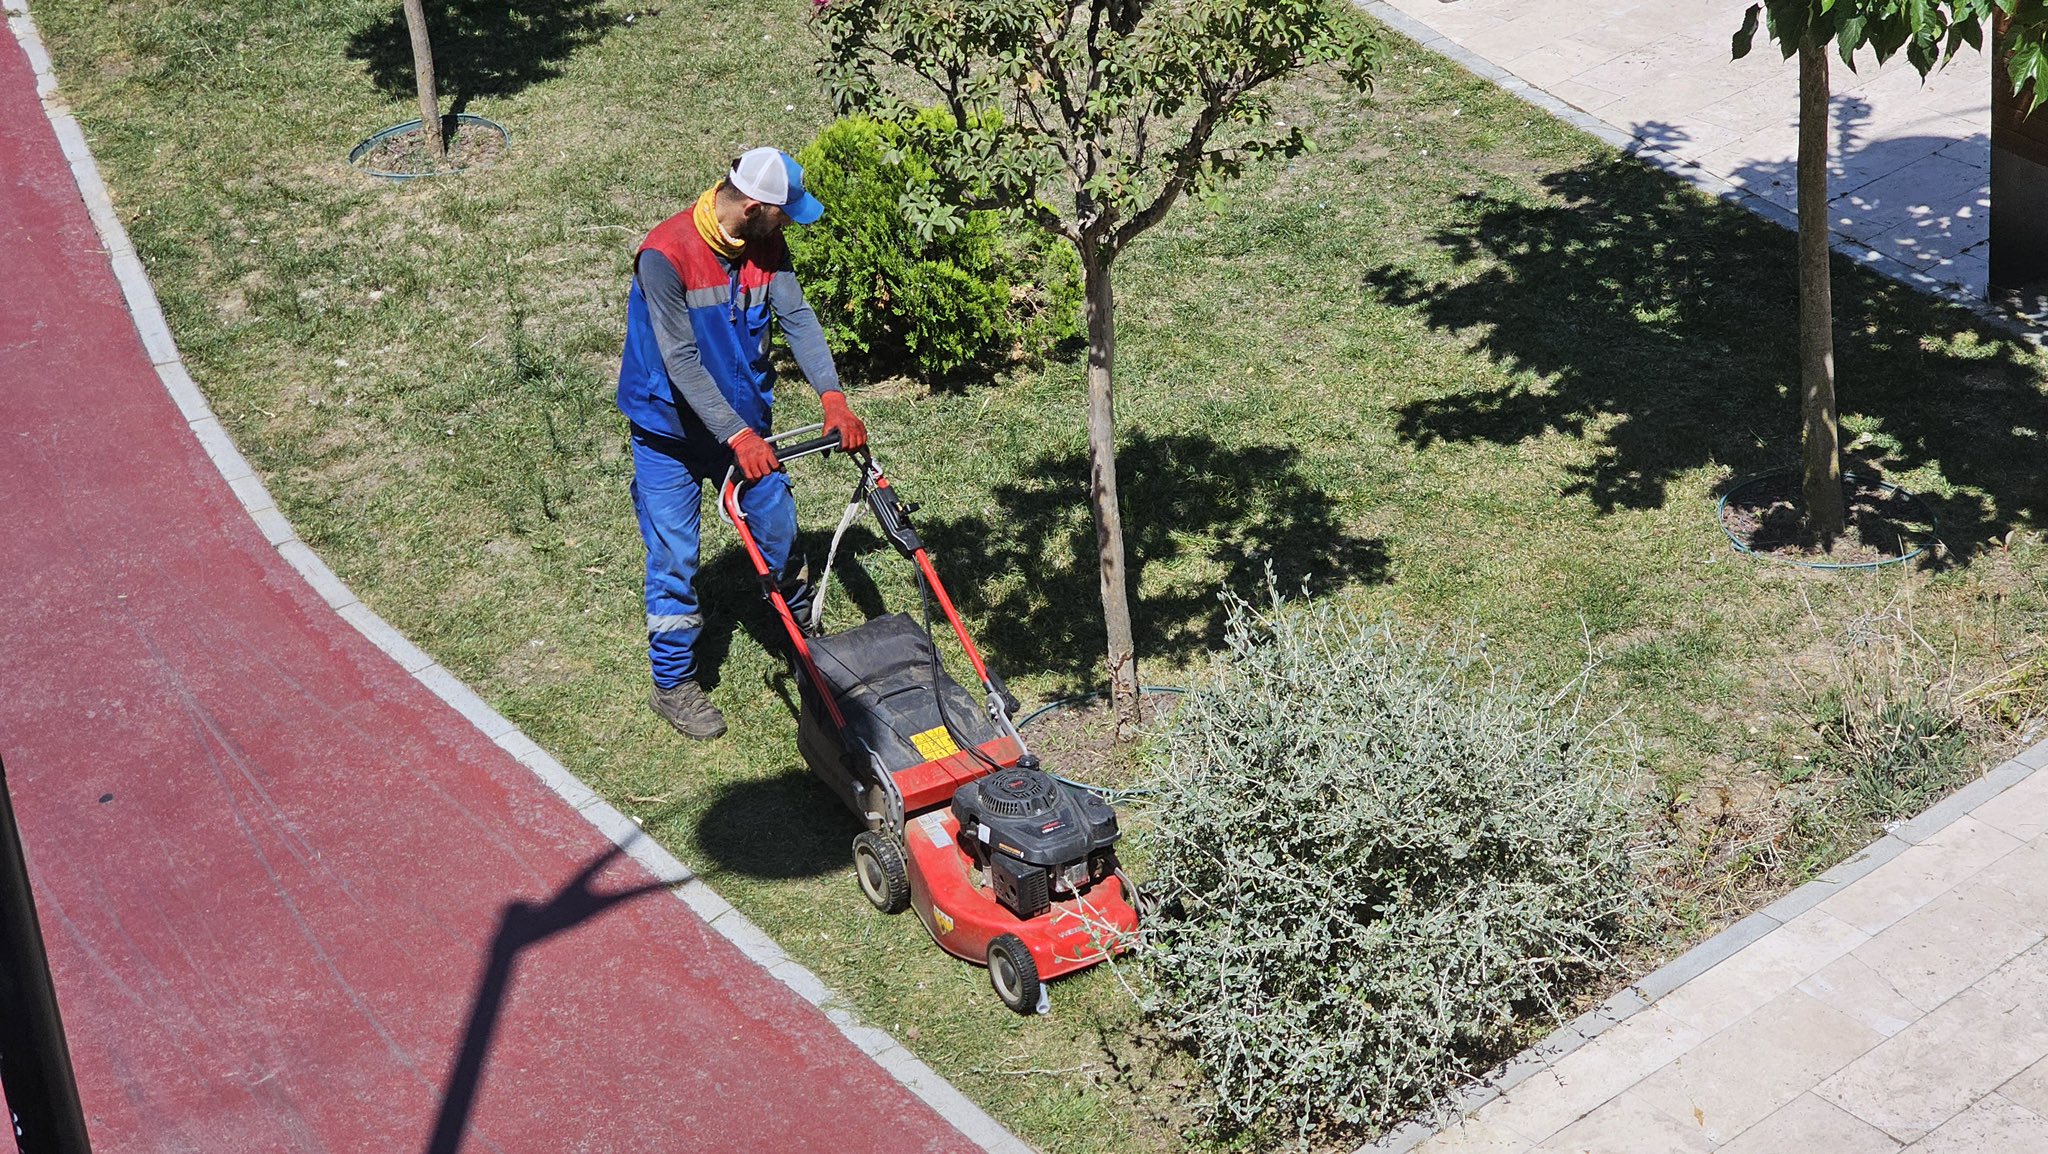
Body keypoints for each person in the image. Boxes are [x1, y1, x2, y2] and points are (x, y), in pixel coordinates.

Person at [616, 147, 867, 740]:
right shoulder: (665, 255)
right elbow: (678, 359)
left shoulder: (765, 246)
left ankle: (797, 625)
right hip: (669, 436)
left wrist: (832, 395)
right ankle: (673, 682)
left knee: (778, 527)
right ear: (753, 207)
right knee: (675, 557)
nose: (787, 224)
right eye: (782, 213)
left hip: (746, 430)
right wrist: (738, 434)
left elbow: (798, 319)